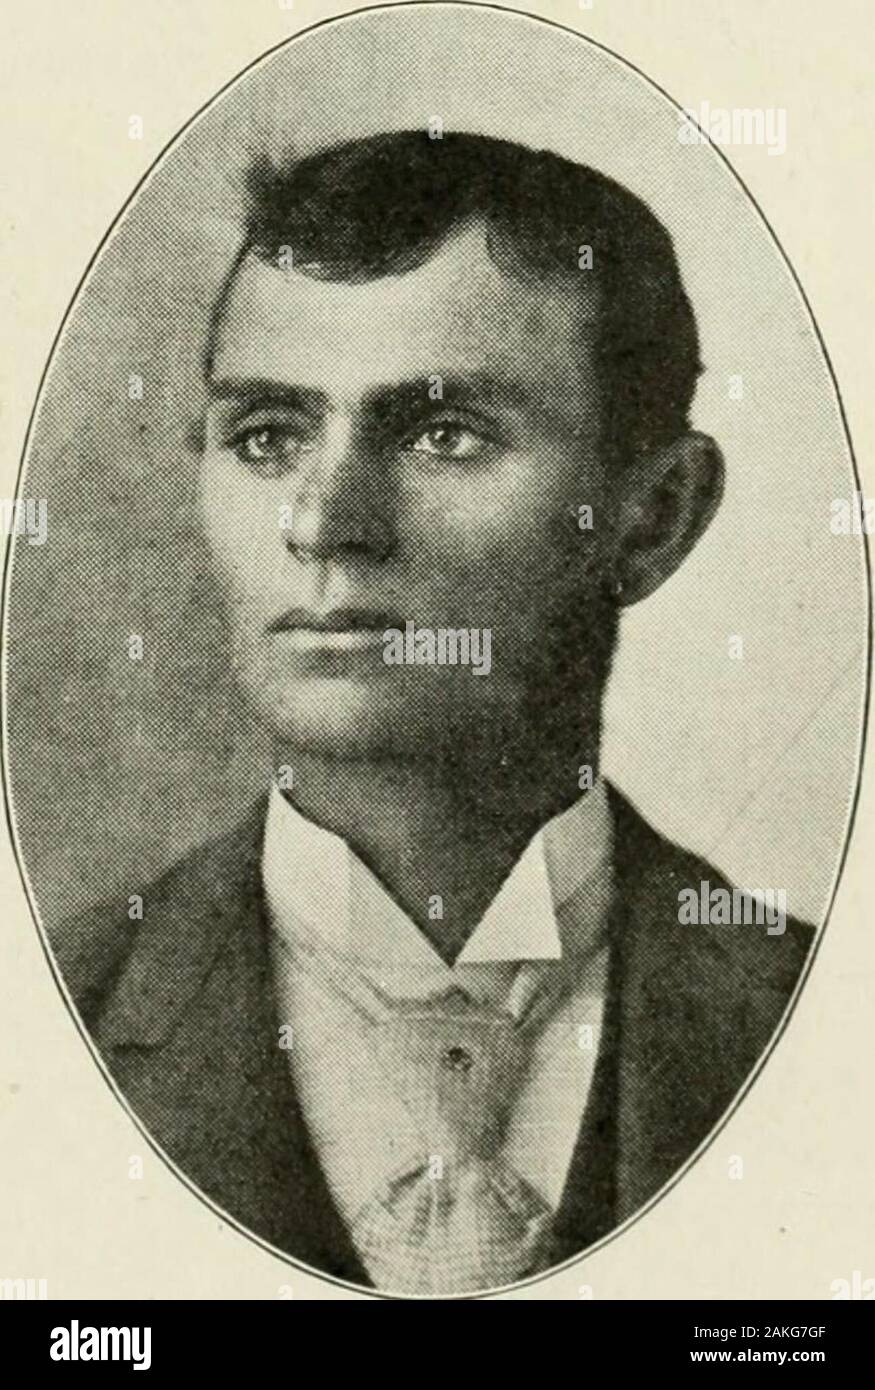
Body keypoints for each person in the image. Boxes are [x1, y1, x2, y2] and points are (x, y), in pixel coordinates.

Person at [56, 131, 812, 1296]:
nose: (324, 522)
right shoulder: (45, 1016)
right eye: (267, 436)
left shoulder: (822, 1019)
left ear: (653, 516)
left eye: (442, 434)